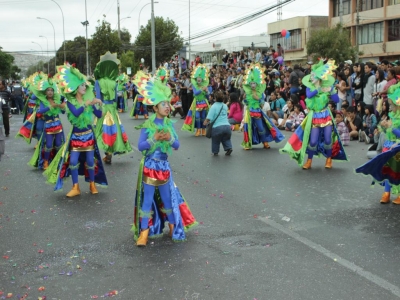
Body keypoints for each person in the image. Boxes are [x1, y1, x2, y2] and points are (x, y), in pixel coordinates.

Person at [132, 75, 197, 246]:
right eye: (163, 104)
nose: (167, 106)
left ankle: (173, 226)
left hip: (164, 166)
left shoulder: (169, 124)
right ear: (155, 107)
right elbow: (140, 146)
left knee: (168, 200)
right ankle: (144, 233)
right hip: (150, 165)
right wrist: (153, 138)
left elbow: (176, 145)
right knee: (147, 200)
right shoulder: (148, 125)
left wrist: (168, 138)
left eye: (168, 103)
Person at [44, 63, 108, 197]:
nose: (85, 87)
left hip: (88, 136)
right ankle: (75, 187)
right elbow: (77, 113)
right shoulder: (70, 102)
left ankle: (92, 184)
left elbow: (98, 115)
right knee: (73, 161)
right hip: (76, 137)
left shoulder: (88, 101)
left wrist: (99, 104)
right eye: (82, 85)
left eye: (85, 85)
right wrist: (86, 104)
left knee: (90, 162)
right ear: (76, 88)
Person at [280, 59, 347, 169]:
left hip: (326, 115)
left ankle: (329, 159)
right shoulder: (309, 88)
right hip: (315, 116)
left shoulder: (327, 88)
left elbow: (336, 100)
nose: (311, 77)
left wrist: (331, 90)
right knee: (313, 141)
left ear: (319, 78)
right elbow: (309, 96)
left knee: (328, 139)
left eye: (313, 75)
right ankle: (309, 160)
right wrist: (319, 89)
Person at [356, 82, 400, 204]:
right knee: (386, 169)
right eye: (389, 104)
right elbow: (389, 132)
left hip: (398, 148)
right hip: (389, 146)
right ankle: (386, 193)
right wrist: (384, 127)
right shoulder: (392, 116)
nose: (390, 107)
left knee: (397, 171)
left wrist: (392, 128)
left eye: (391, 104)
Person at [93, 51, 133, 164]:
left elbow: (99, 97)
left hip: (103, 107)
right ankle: (109, 153)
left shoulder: (98, 82)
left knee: (100, 130)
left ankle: (99, 154)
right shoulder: (114, 82)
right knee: (112, 130)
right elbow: (115, 98)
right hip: (112, 108)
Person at [241, 63, 284, 150]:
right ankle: (247, 144)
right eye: (251, 83)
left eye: (254, 83)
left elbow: (262, 103)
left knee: (261, 127)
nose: (253, 85)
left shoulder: (260, 93)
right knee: (248, 128)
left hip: (257, 111)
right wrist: (245, 98)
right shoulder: (247, 92)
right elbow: (245, 102)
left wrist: (257, 97)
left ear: (257, 84)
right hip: (249, 111)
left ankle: (265, 142)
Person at [28, 75, 66, 170]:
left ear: (54, 92)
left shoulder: (57, 99)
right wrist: (50, 107)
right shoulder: (43, 100)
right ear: (45, 92)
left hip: (57, 124)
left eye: (51, 90)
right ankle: (45, 162)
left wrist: (61, 106)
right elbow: (39, 111)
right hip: (48, 124)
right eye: (48, 90)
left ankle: (56, 161)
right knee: (48, 145)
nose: (50, 92)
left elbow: (63, 111)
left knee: (58, 144)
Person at [182, 64, 210, 136]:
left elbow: (207, 96)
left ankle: (203, 129)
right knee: (197, 117)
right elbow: (195, 93)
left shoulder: (205, 85)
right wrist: (201, 89)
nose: (199, 79)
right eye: (198, 78)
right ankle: (198, 129)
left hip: (203, 102)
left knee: (203, 117)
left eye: (200, 78)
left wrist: (207, 92)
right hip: (196, 103)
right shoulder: (194, 85)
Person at [204, 91, 233, 155]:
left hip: (217, 127)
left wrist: (205, 122)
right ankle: (229, 148)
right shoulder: (225, 106)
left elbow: (209, 117)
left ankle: (215, 151)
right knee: (226, 139)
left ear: (215, 98)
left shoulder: (213, 106)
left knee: (215, 140)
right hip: (227, 126)